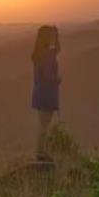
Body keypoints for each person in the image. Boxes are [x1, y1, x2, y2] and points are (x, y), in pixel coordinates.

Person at [30, 24, 61, 162]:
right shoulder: (47, 55)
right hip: (47, 94)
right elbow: (48, 76)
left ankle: (41, 152)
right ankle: (41, 154)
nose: (53, 38)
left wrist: (56, 35)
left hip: (39, 93)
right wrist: (57, 79)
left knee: (42, 125)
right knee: (44, 125)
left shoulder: (39, 54)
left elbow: (57, 50)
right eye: (51, 35)